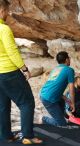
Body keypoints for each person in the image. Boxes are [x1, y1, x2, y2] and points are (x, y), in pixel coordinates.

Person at [0, 0, 42, 144]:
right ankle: (28, 137)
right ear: (1, 10)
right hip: (9, 72)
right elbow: (12, 51)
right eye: (6, 11)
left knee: (3, 106)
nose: (7, 14)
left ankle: (6, 136)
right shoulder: (3, 29)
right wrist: (24, 68)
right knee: (27, 102)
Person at [40, 51, 75, 126]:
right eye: (69, 58)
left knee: (61, 115)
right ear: (66, 60)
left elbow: (55, 87)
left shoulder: (56, 69)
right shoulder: (69, 70)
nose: (70, 60)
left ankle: (60, 119)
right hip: (48, 99)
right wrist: (73, 103)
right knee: (62, 125)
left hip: (46, 94)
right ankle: (44, 119)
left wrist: (67, 99)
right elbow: (71, 89)